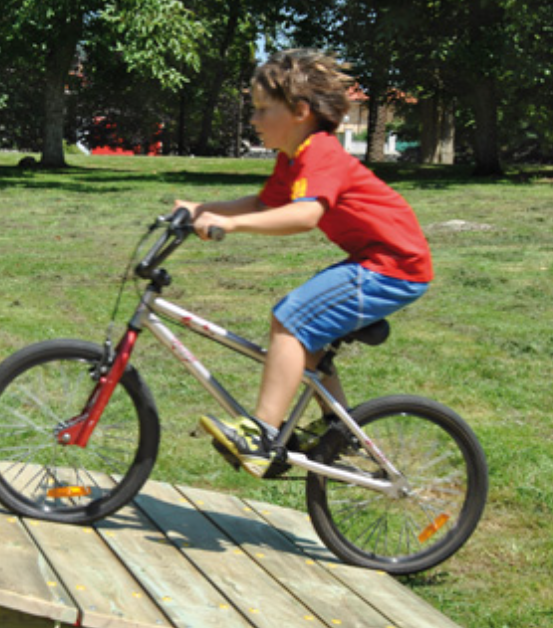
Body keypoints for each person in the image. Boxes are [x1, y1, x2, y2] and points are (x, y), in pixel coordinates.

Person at [176, 48, 433, 478]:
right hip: (376, 260)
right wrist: (201, 209)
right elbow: (263, 203)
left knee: (290, 319)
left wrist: (229, 225)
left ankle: (261, 435)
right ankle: (338, 431)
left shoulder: (321, 152)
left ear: (299, 111)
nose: (253, 119)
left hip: (393, 266)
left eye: (262, 109)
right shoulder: (293, 157)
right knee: (308, 339)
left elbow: (305, 215)